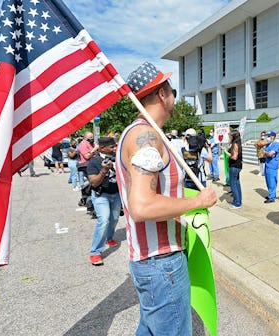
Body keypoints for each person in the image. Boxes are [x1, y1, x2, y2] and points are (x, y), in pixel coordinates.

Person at [117, 61, 217, 335]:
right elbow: (142, 205)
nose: (174, 96)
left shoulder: (139, 132)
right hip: (161, 263)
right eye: (172, 90)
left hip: (153, 262)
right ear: (162, 93)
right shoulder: (146, 136)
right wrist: (199, 201)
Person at [86, 137, 120, 266]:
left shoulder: (117, 157)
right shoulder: (94, 162)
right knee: (104, 220)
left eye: (114, 146)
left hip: (116, 194)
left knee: (115, 218)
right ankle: (95, 252)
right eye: (111, 147)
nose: (114, 149)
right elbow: (94, 182)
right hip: (101, 195)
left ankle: (109, 238)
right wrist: (104, 171)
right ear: (102, 148)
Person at [225, 129, 243, 209]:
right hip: (237, 166)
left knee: (234, 185)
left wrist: (226, 152)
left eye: (230, 135)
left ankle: (237, 203)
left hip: (234, 166)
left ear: (233, 136)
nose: (229, 136)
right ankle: (238, 201)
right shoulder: (236, 143)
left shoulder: (235, 144)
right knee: (237, 184)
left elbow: (234, 157)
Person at [263, 131, 279, 203]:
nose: (267, 138)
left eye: (269, 136)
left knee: (272, 181)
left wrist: (266, 153)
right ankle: (271, 194)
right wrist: (266, 153)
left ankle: (272, 197)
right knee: (268, 181)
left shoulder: (276, 144)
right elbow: (264, 153)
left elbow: (270, 154)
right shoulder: (268, 145)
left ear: (273, 137)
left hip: (272, 165)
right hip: (267, 164)